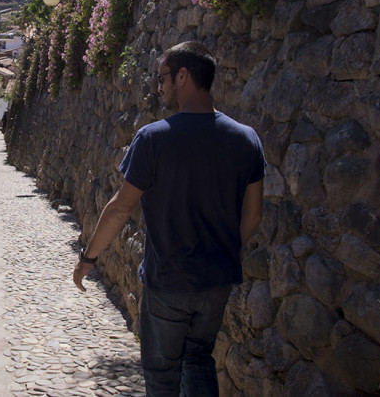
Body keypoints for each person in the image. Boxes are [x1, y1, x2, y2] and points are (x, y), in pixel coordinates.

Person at [72, 41, 265, 397]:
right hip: (217, 280)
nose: (159, 88)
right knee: (199, 360)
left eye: (162, 78)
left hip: (169, 281)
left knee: (162, 374)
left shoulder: (153, 139)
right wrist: (222, 253)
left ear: (183, 76)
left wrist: (88, 258)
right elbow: (253, 216)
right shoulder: (246, 139)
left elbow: (119, 209)